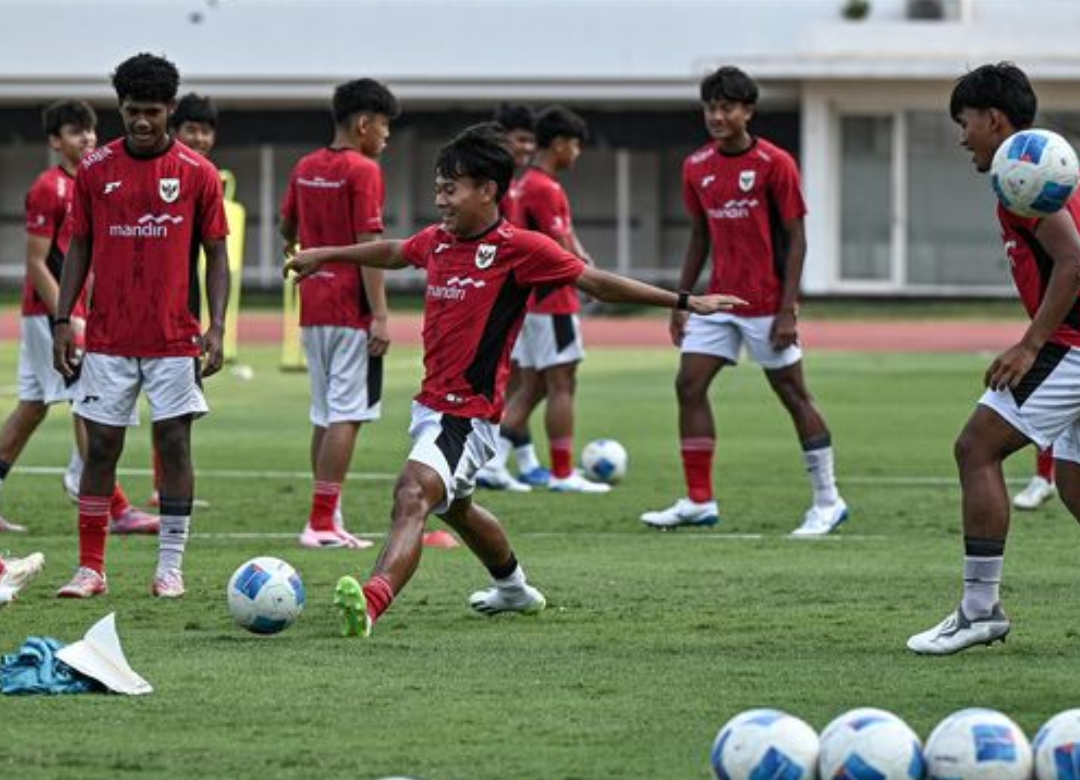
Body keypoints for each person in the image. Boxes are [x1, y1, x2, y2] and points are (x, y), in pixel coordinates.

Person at [283, 123, 743, 637]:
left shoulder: (520, 248)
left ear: (487, 191)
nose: (441, 200)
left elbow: (595, 282)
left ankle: (369, 603)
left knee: (412, 493)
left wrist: (685, 300)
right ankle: (514, 588)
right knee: (457, 509)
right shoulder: (438, 241)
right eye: (438, 188)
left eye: (450, 189)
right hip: (434, 406)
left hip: (468, 413)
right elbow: (393, 251)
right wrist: (326, 255)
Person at [908, 62, 1080, 654]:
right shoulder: (1053, 162)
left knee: (975, 447)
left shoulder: (1021, 173)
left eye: (965, 122)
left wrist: (1031, 341)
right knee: (1076, 486)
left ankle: (980, 611)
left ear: (993, 119)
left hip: (1072, 346)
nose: (962, 137)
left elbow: (1073, 261)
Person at [640, 66, 848, 536]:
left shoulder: (776, 164)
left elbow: (797, 239)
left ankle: (828, 500)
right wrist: (682, 301)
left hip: (767, 304)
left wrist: (788, 309)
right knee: (688, 385)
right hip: (717, 303)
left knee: (792, 394)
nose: (717, 115)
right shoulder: (695, 167)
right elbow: (698, 236)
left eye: (727, 107)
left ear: (747, 111)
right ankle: (698, 501)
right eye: (710, 106)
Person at [52, 52, 230, 599]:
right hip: (107, 336)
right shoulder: (95, 168)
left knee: (173, 443)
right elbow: (78, 246)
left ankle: (169, 567)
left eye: (153, 111)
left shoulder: (197, 174)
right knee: (100, 447)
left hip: (173, 337)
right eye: (132, 111)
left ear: (170, 109)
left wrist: (218, 326)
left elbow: (216, 254)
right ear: (120, 108)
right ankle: (90, 569)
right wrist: (64, 319)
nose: (142, 121)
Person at [0, 100, 157, 536]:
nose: (86, 138)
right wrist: (66, 317)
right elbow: (36, 262)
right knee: (88, 403)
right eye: (74, 131)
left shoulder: (93, 183)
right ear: (54, 141)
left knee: (31, 408)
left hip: (65, 315)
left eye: (89, 130)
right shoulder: (50, 188)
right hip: (49, 316)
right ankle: (116, 507)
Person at [280, 79, 398, 550]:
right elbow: (371, 246)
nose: (386, 137)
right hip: (351, 309)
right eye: (385, 127)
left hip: (313, 309)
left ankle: (328, 514)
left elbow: (287, 226)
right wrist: (382, 314)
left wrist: (301, 255)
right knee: (347, 415)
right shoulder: (364, 170)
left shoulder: (306, 165)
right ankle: (321, 522)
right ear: (364, 123)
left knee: (326, 415)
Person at [478, 106, 609, 493]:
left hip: (529, 301)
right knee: (562, 383)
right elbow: (558, 245)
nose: (577, 154)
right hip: (552, 301)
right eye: (575, 145)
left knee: (530, 387)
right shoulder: (544, 187)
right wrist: (585, 280)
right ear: (560, 144)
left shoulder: (521, 184)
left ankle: (494, 463)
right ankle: (564, 473)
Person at [485, 102, 550, 489]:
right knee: (526, 384)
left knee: (515, 383)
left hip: (514, 298)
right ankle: (492, 462)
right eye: (521, 140)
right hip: (497, 299)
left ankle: (525, 461)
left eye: (531, 141)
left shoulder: (512, 182)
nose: (527, 149)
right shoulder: (496, 184)